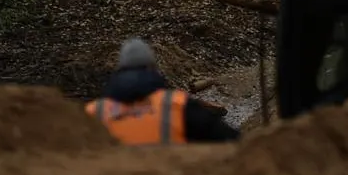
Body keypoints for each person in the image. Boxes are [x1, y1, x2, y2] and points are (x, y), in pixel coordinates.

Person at [83, 37, 240, 144]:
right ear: (152, 68)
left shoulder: (93, 112)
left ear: (118, 70)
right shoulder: (176, 104)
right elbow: (231, 140)